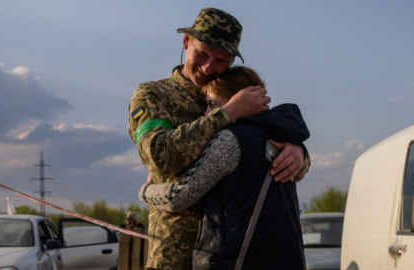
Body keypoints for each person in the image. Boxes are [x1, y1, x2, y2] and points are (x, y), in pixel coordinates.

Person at [128, 8, 311, 270]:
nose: (207, 67)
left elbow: (265, 152)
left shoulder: (231, 94)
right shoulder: (153, 95)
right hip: (174, 255)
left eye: (220, 61)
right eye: (202, 53)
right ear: (186, 42)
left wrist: (298, 153)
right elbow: (160, 156)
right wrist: (225, 114)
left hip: (231, 256)